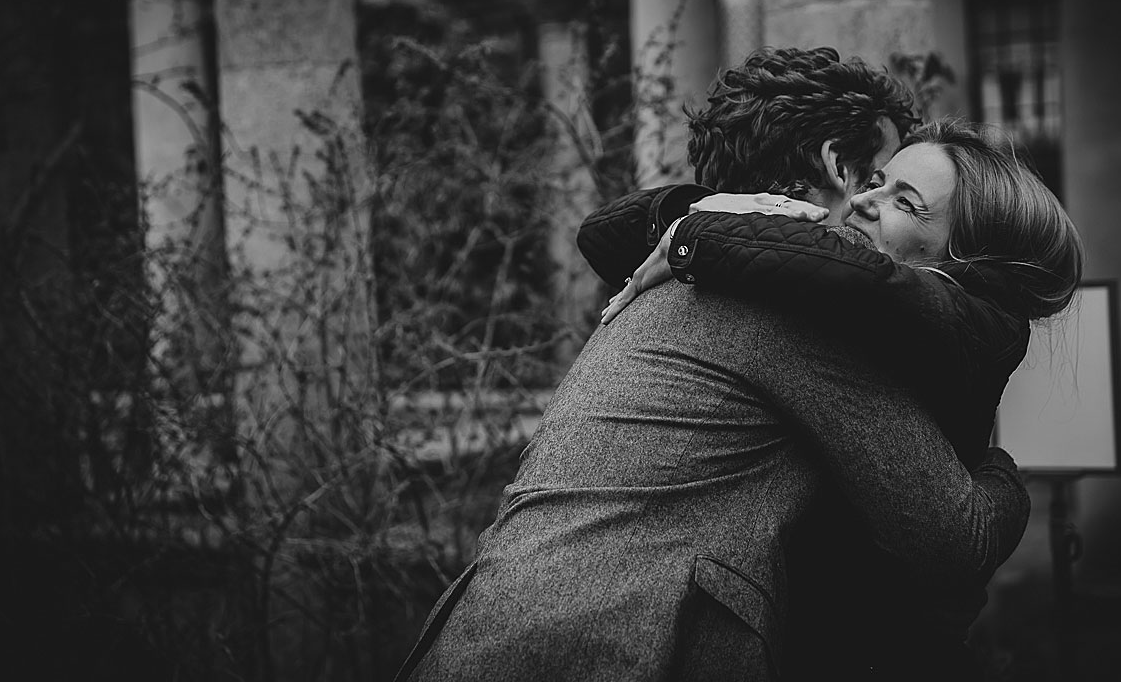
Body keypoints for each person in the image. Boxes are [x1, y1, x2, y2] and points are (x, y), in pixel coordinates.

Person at [392, 47, 1036, 682]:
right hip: (621, 647)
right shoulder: (798, 304)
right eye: (875, 179)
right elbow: (953, 539)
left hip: (484, 635)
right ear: (839, 166)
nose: (873, 204)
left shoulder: (678, 277)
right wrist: (1000, 467)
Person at [578, 116, 1084, 677]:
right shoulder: (871, 306)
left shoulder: (919, 310)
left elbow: (955, 543)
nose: (866, 200)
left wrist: (1005, 478)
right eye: (875, 181)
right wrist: (725, 214)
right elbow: (602, 235)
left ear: (963, 260)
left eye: (906, 203)